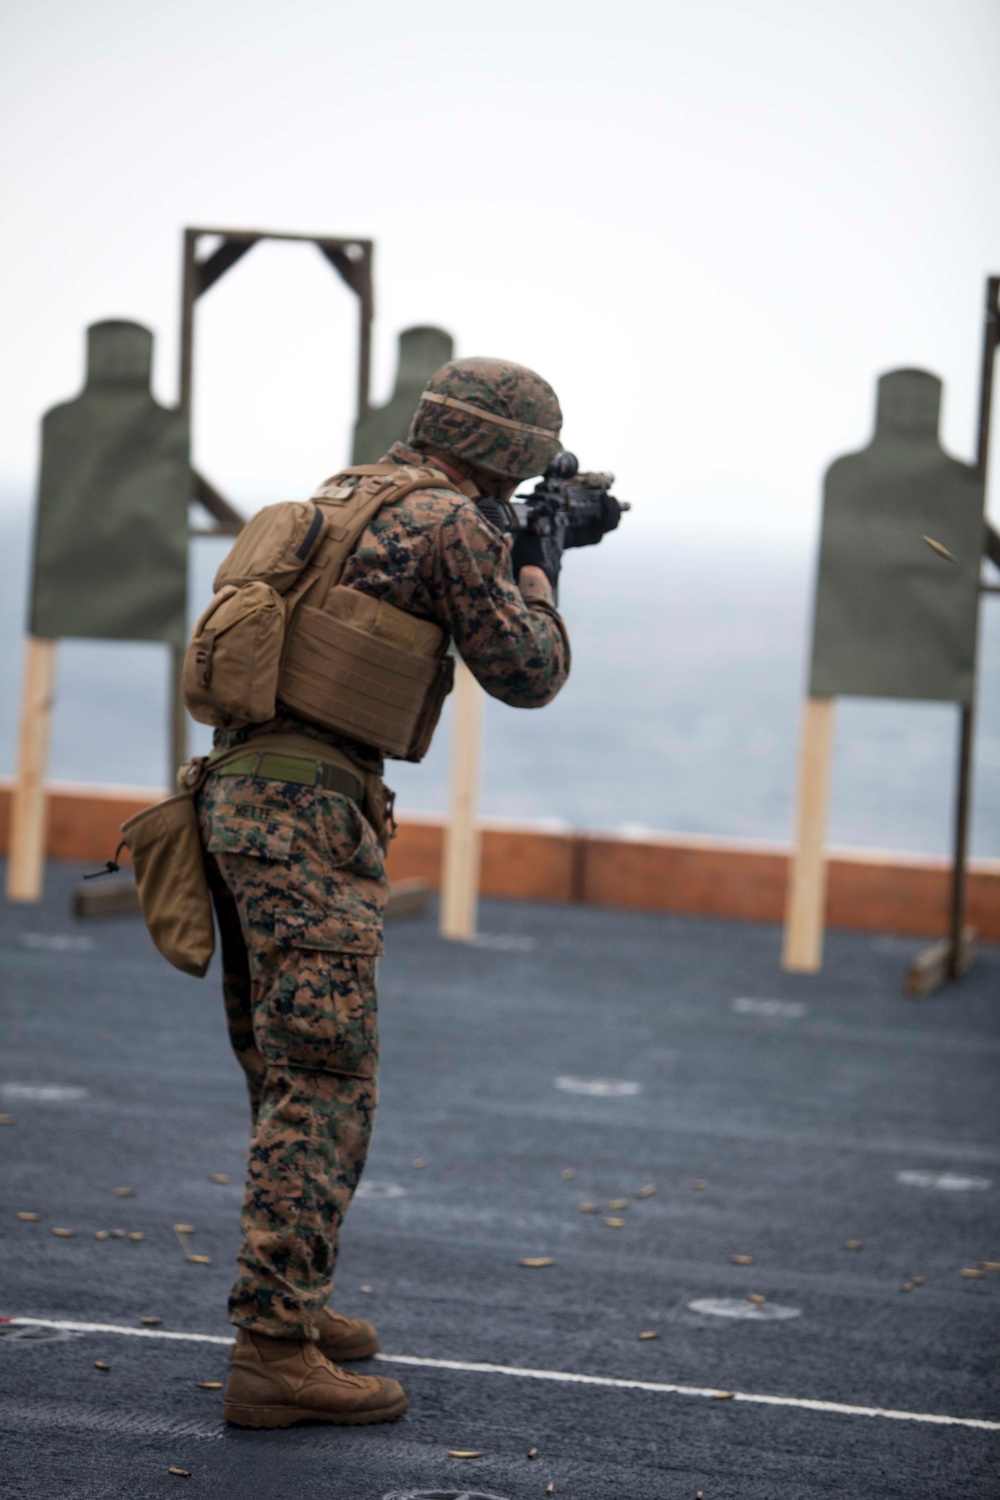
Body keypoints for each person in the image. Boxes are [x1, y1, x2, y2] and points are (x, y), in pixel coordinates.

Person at [194, 357, 571, 1428]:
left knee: (285, 1069)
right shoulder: (456, 525)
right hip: (310, 816)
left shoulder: (344, 494)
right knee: (324, 1081)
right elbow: (529, 671)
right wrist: (538, 567)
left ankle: (293, 1301)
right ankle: (272, 1351)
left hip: (238, 799)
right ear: (508, 453)